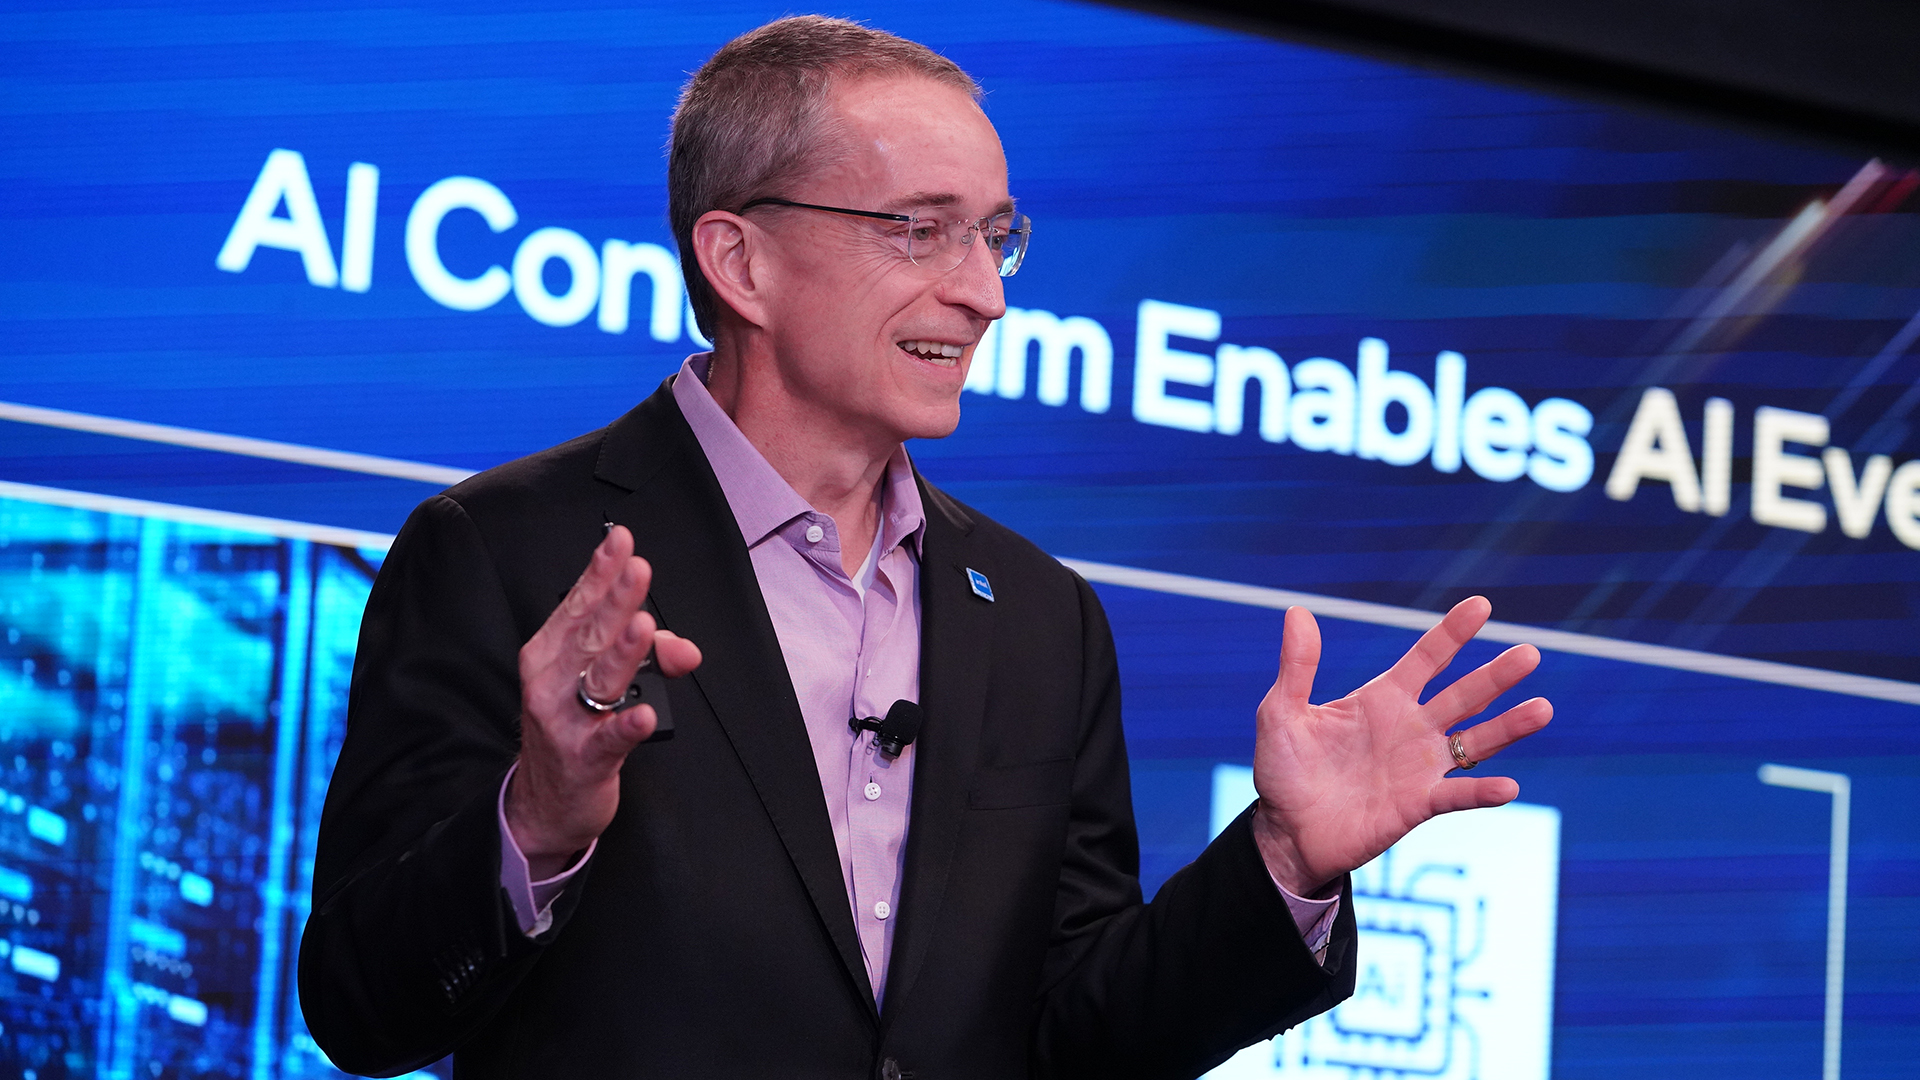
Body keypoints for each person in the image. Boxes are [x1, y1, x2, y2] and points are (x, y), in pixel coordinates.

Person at [298, 16, 1551, 1080]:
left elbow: (1079, 1034)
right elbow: (363, 1006)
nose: (985, 292)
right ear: (742, 259)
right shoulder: (506, 553)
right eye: (921, 230)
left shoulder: (1042, 620)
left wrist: (1283, 862)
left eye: (995, 236)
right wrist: (540, 823)